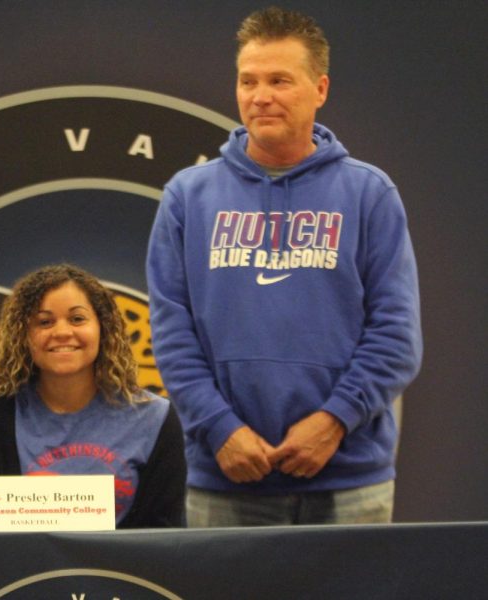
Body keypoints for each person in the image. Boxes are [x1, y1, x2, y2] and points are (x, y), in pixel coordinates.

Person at [146, 7, 422, 526]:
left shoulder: (369, 194)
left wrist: (334, 422)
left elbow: (397, 335)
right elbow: (172, 336)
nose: (260, 96)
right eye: (247, 81)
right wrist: (221, 428)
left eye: (279, 80)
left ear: (320, 89)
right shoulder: (187, 197)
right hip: (226, 477)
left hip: (350, 478)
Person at [0, 264, 186, 528]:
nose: (62, 332)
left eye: (77, 319)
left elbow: (163, 538)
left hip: (116, 569)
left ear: (103, 328)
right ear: (23, 336)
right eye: (44, 322)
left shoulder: (154, 418)